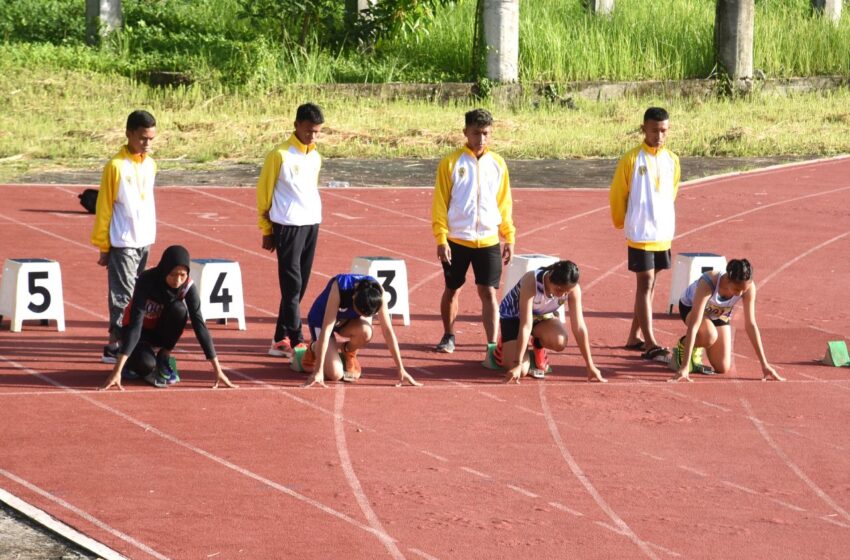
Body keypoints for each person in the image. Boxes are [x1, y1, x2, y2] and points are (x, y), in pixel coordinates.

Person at [431, 108, 515, 356]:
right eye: (476, 133)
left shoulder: (498, 164)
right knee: (452, 289)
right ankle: (448, 335)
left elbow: (504, 203)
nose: (481, 139)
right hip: (457, 239)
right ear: (465, 132)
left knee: (488, 291)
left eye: (486, 133)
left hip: (488, 240)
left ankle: (491, 346)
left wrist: (508, 236)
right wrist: (441, 238)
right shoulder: (450, 163)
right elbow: (439, 203)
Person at [100, 245, 237, 391]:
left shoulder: (187, 287)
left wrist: (218, 370)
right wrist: (117, 371)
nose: (177, 280)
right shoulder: (146, 280)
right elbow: (135, 325)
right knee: (146, 364)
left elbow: (199, 325)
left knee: (179, 310)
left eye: (182, 275)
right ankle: (127, 357)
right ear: (164, 270)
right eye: (172, 274)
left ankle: (164, 355)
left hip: (158, 331)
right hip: (136, 331)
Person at [609, 106, 680, 362]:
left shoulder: (672, 160)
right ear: (643, 129)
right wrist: (622, 221)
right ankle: (651, 342)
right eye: (654, 131)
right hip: (640, 232)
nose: (659, 136)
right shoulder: (631, 159)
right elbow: (618, 193)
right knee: (645, 283)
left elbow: (671, 193)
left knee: (651, 285)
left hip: (662, 233)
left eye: (663, 131)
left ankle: (633, 336)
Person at [257, 103, 324, 359]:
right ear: (296, 125)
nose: (313, 136)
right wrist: (266, 229)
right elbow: (264, 193)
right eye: (308, 130)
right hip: (287, 226)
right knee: (292, 284)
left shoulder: (316, 156)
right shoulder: (279, 155)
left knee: (299, 285)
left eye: (317, 132)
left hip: (310, 224)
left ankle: (278, 338)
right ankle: (297, 338)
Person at [91, 110, 158, 364]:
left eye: (151, 138)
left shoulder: (151, 164)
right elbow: (105, 207)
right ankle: (115, 343)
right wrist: (103, 244)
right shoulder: (116, 166)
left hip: (144, 239)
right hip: (122, 240)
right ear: (129, 134)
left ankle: (132, 341)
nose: (147, 143)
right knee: (123, 295)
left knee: (139, 293)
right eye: (142, 138)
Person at [669, 259, 785, 383]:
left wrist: (764, 364)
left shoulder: (749, 288)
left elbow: (751, 324)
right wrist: (685, 366)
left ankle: (700, 341)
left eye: (743, 291)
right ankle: (683, 345)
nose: (739, 294)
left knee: (722, 367)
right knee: (709, 336)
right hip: (691, 308)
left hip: (718, 314)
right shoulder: (709, 283)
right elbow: (695, 323)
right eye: (736, 289)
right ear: (728, 280)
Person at [302, 274, 421, 387]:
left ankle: (347, 351)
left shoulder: (379, 293)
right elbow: (327, 330)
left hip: (344, 321)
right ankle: (313, 347)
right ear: (354, 297)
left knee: (366, 332)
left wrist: (401, 369)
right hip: (321, 320)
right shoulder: (339, 287)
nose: (362, 316)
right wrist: (318, 371)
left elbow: (388, 331)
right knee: (335, 375)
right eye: (359, 312)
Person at [497, 261, 605, 384]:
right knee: (521, 371)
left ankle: (538, 344)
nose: (561, 294)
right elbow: (526, 325)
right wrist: (517, 363)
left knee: (560, 341)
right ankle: (503, 345)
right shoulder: (531, 281)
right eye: (558, 289)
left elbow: (579, 327)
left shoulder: (573, 289)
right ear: (550, 278)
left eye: (566, 292)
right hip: (514, 318)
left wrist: (590, 365)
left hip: (541, 317)